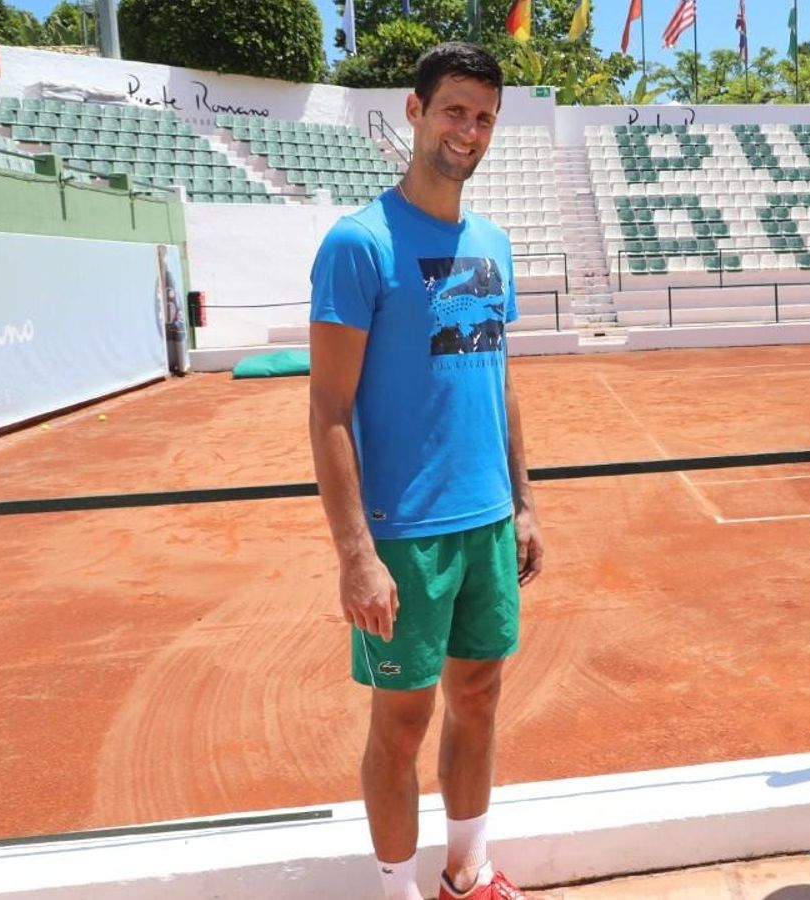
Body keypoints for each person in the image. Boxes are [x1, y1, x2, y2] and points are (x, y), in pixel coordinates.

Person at [309, 42, 541, 900]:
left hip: (485, 521)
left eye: (483, 116)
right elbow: (328, 409)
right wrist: (354, 554)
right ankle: (396, 893)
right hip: (405, 534)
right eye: (453, 110)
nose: (468, 130)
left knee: (477, 699)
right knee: (400, 725)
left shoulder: (491, 242)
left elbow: (499, 375)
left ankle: (466, 873)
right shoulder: (357, 243)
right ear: (414, 111)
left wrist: (522, 501)